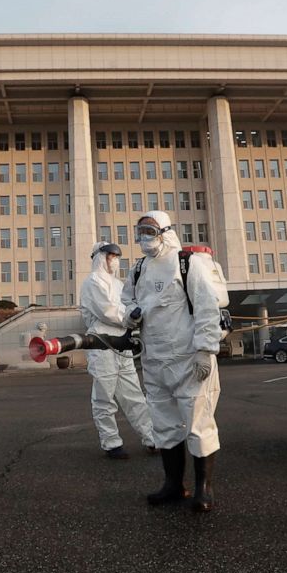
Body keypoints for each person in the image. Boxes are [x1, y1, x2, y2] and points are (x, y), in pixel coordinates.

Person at [121, 210, 223, 512]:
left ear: (166, 231)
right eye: (140, 231)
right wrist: (131, 313)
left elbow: (206, 307)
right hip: (155, 361)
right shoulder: (139, 269)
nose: (144, 238)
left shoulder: (187, 263)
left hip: (189, 360)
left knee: (198, 425)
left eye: (150, 231)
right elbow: (126, 302)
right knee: (165, 425)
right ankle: (173, 484)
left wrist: (205, 350)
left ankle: (205, 488)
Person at [80, 241, 156, 460]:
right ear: (99, 257)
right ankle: (111, 443)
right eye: (111, 255)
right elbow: (107, 312)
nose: (114, 259)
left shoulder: (118, 283)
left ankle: (151, 437)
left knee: (134, 395)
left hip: (122, 344)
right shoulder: (92, 282)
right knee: (104, 398)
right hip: (101, 345)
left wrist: (136, 315)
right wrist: (129, 318)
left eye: (116, 256)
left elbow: (128, 306)